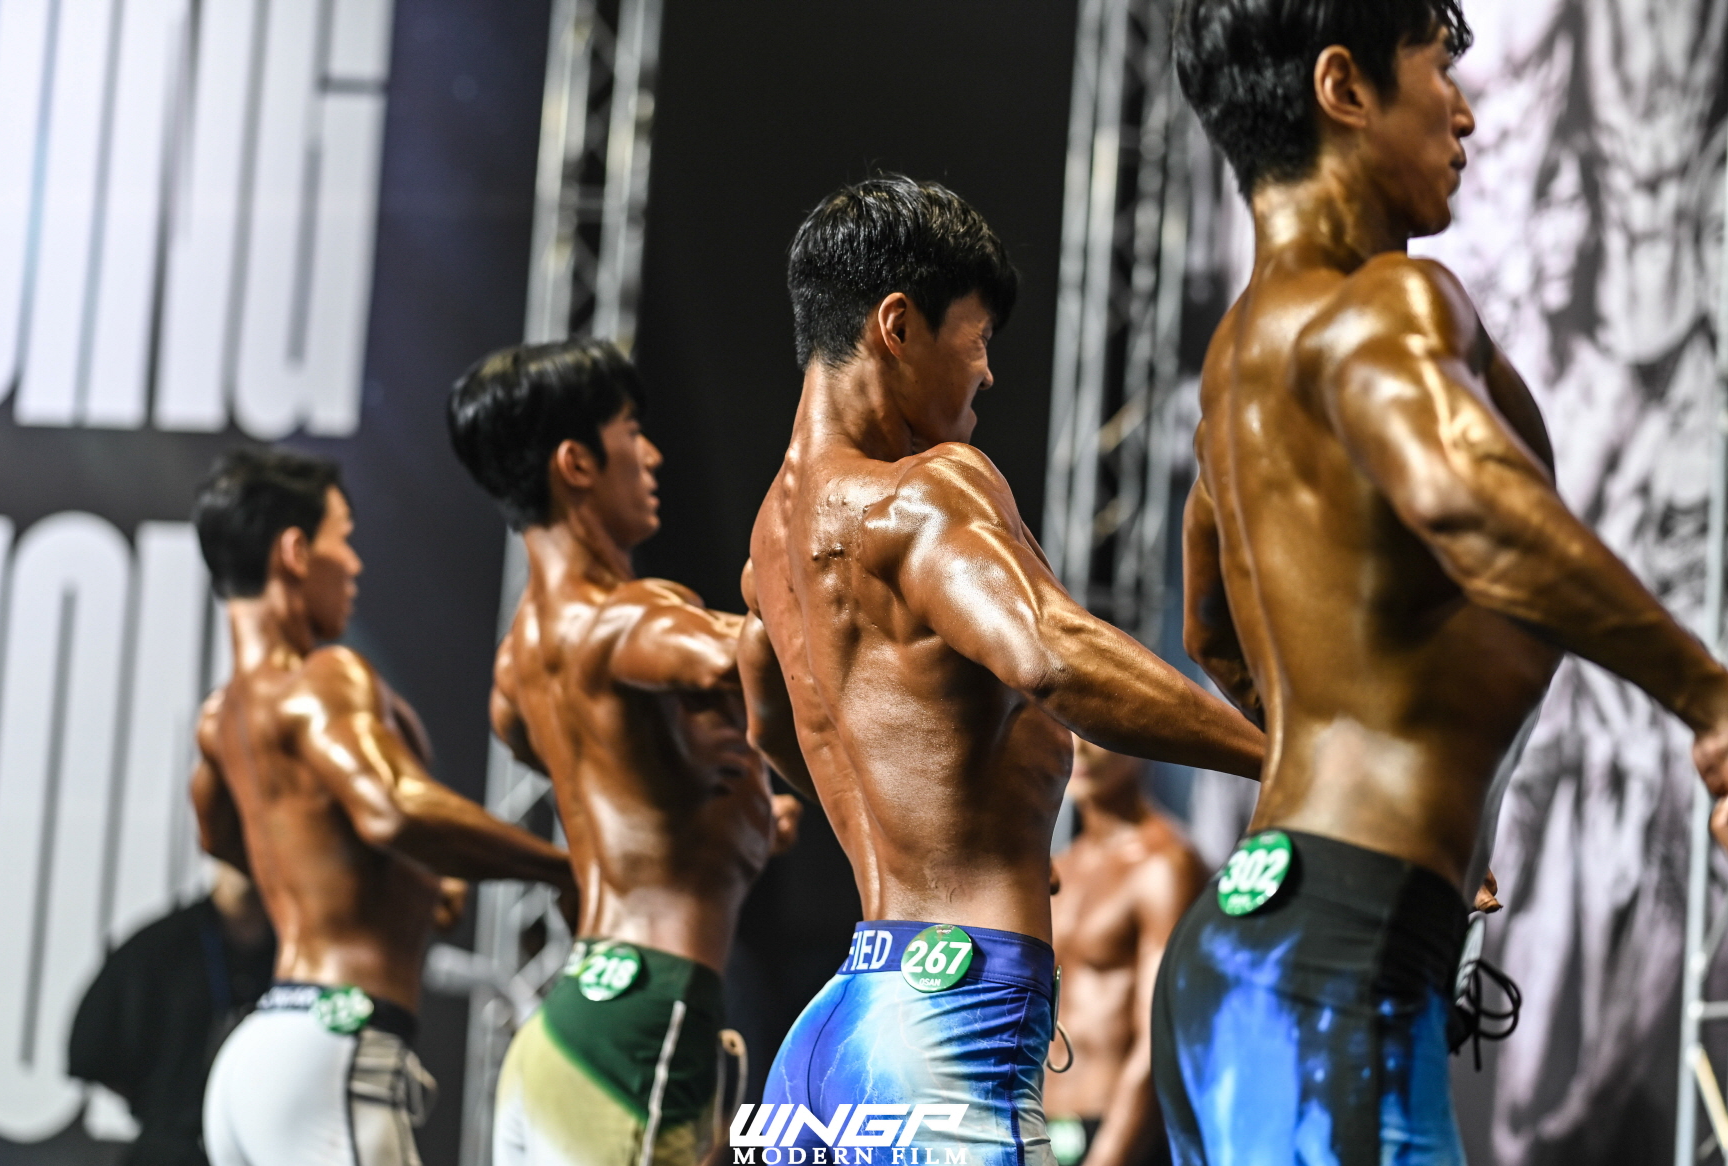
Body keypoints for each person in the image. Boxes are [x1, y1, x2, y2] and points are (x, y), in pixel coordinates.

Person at [1158, 1, 1728, 1161]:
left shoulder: (1236, 366)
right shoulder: (1383, 304)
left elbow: (1210, 630)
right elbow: (1466, 503)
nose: (1463, 115)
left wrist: (1371, 767)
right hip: (1333, 964)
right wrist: (1706, 694)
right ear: (1343, 89)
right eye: (1438, 72)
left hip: (1253, 950)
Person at [737, 176, 1265, 1162]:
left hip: (837, 1028)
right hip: (946, 1026)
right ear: (897, 326)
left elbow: (764, 714)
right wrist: (1285, 760)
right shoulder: (928, 489)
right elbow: (1049, 653)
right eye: (976, 339)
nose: (985, 374)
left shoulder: (770, 545)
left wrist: (915, 815)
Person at [447, 339, 803, 1166]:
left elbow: (633, 803)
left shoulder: (515, 675)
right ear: (576, 463)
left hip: (569, 1022)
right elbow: (757, 654)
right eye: (631, 431)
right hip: (645, 1024)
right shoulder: (628, 616)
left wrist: (747, 820)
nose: (652, 455)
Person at [189, 447, 575, 1166]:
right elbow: (392, 811)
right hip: (334, 1049)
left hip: (259, 1055)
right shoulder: (325, 676)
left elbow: (220, 838)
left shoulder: (220, 721)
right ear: (295, 551)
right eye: (344, 538)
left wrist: (399, 883)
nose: (355, 564)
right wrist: (561, 867)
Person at [1044, 739, 1204, 1166]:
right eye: (1068, 728)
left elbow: (1161, 1036)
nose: (1079, 747)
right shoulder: (1061, 868)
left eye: (1096, 731)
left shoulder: (1166, 864)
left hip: (1121, 1136)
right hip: (1042, 1125)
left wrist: (1108, 1157)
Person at [68, 861, 276, 1166]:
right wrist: (163, 1109)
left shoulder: (300, 955)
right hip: (173, 1148)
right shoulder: (162, 945)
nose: (245, 856)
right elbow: (92, 1050)